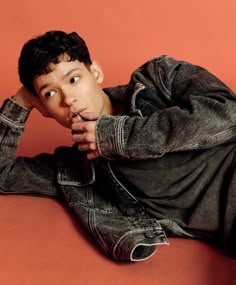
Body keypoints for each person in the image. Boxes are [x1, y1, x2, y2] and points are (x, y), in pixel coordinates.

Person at [0, 30, 236, 262]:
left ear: (96, 72)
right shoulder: (76, 170)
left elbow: (229, 112)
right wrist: (19, 103)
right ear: (43, 108)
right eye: (50, 93)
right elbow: (3, 173)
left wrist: (117, 136)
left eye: (74, 79)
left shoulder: (159, 79)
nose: (68, 99)